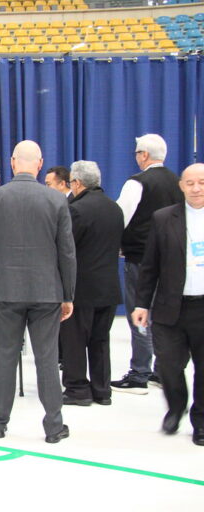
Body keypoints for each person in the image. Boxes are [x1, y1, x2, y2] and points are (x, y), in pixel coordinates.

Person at [0, 140, 76, 444]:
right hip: (47, 291)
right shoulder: (56, 200)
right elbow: (67, 252)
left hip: (5, 290)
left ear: (12, 162)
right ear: (40, 164)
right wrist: (68, 295)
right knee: (47, 359)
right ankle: (53, 427)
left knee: (5, 356)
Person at [132, 163, 204, 446]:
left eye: (202, 182)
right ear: (181, 186)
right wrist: (141, 303)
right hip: (170, 307)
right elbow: (150, 265)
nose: (196, 188)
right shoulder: (163, 218)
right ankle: (176, 406)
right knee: (169, 366)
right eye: (190, 183)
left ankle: (201, 420)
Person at [113, 134, 183, 394]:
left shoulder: (137, 183)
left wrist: (117, 244)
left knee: (139, 312)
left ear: (143, 155)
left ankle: (140, 372)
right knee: (165, 316)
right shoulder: (178, 182)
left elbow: (120, 217)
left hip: (141, 258)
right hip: (172, 260)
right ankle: (162, 370)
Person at [59, 161, 124, 407]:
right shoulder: (114, 208)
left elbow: (66, 248)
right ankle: (102, 390)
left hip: (82, 288)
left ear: (77, 183)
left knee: (75, 340)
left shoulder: (77, 210)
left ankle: (77, 389)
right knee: (100, 340)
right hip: (109, 286)